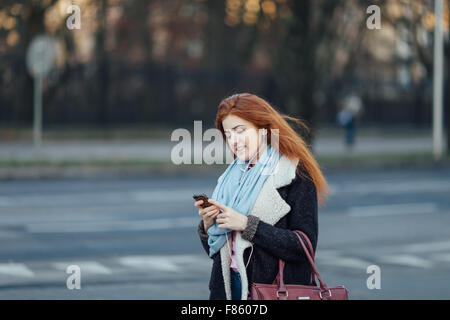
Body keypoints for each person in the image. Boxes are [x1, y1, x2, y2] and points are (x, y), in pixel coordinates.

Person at [194, 93, 329, 300]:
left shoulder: (293, 172)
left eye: (240, 131)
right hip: (228, 289)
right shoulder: (232, 176)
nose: (234, 141)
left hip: (272, 292)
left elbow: (304, 247)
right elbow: (219, 254)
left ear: (263, 128)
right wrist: (208, 225)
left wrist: (248, 225)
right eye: (228, 134)